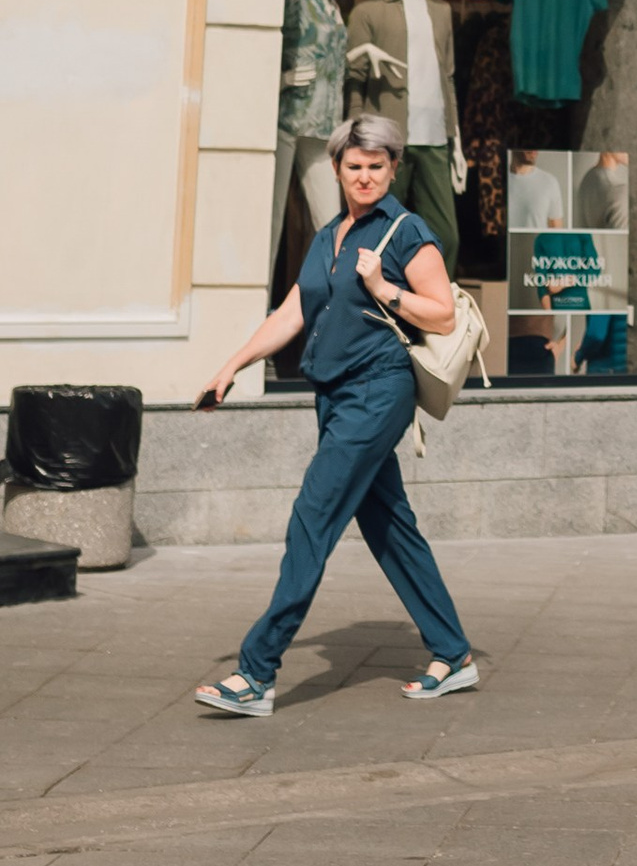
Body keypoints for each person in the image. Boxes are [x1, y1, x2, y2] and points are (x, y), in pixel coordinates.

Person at [191, 113, 478, 719]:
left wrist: (385, 289)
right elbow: (292, 312)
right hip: (336, 396)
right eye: (355, 166)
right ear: (337, 168)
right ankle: (453, 654)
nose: (366, 176)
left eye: (378, 166)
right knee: (390, 527)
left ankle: (256, 672)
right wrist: (232, 366)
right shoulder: (329, 236)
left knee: (312, 517)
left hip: (379, 391)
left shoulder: (407, 233)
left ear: (394, 168)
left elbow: (444, 314)